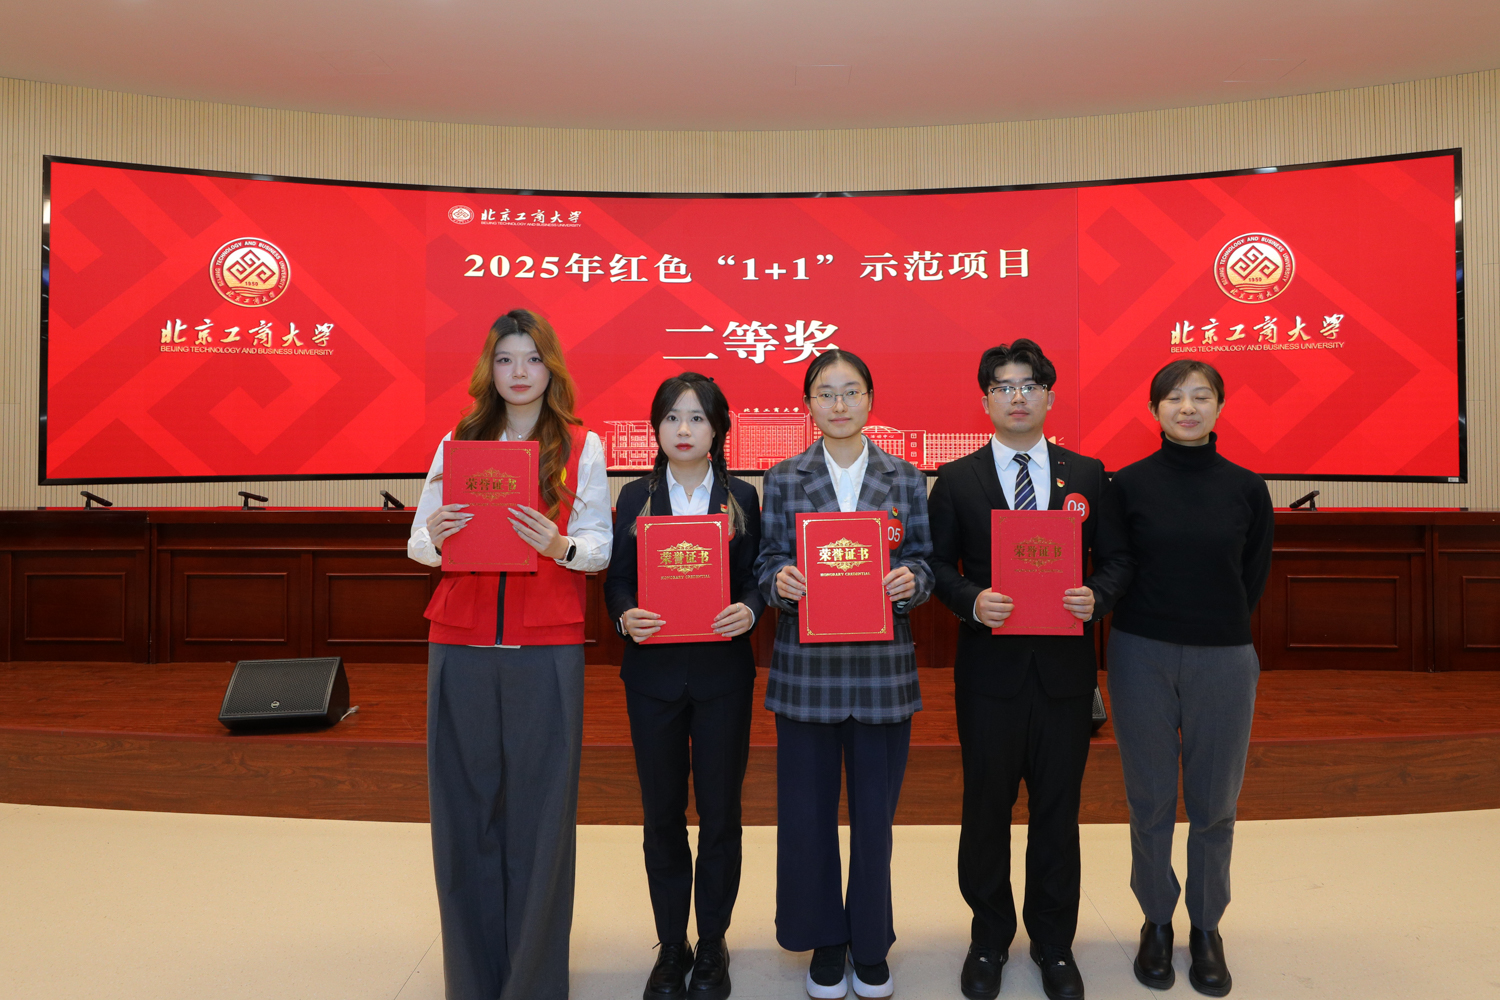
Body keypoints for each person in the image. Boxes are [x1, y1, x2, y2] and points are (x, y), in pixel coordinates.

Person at [407, 309, 612, 1000]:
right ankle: (471, 981)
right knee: (462, 818)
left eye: (531, 358)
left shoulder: (581, 445)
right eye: (505, 359)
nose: (519, 372)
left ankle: (533, 983)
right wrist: (437, 534)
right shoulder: (459, 440)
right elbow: (418, 545)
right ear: (488, 369)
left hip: (545, 645)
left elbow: (599, 548)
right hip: (459, 643)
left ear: (551, 367)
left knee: (542, 820)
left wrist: (558, 546)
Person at [928, 339, 1133, 1000]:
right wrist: (971, 600)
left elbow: (1118, 561)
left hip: (1065, 676)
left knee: (1057, 812)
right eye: (1003, 386)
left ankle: (1053, 942)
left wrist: (1096, 596)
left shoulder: (1089, 474)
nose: (1017, 397)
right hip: (989, 674)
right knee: (985, 810)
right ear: (985, 399)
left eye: (1029, 385)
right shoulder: (957, 479)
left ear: (1049, 396)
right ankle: (988, 938)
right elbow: (936, 566)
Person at [753, 349, 934, 1000]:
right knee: (806, 817)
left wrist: (913, 581)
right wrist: (779, 579)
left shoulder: (905, 477)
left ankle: (871, 941)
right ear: (808, 405)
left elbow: (925, 560)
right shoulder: (783, 476)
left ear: (869, 400)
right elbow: (766, 560)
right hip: (808, 670)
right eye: (825, 393)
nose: (839, 404)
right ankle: (825, 940)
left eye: (850, 391)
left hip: (883, 673)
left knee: (875, 820)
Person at [1098, 359, 1273, 997]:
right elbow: (1116, 566)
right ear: (1155, 410)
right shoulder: (1127, 486)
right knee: (1148, 801)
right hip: (1139, 654)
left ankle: (1205, 926)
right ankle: (1155, 919)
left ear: (1220, 407)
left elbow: (1251, 576)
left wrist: (1213, 625)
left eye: (1201, 396)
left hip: (1223, 658)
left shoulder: (1247, 489)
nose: (1188, 408)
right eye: (1174, 398)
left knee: (1214, 805)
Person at [603, 373, 765, 1000]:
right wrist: (626, 614)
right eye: (672, 418)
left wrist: (751, 609)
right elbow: (617, 580)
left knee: (721, 815)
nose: (684, 429)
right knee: (662, 815)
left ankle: (713, 941)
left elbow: (755, 577)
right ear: (656, 429)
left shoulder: (741, 497)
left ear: (718, 429)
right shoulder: (635, 497)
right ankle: (672, 945)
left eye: (697, 418)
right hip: (653, 679)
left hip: (723, 676)